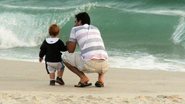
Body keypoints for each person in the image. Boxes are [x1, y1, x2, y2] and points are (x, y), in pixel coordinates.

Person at [63, 12, 109, 87]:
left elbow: (71, 50)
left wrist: (68, 43)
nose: (74, 24)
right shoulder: (96, 28)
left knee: (64, 57)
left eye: (75, 21)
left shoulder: (75, 29)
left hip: (89, 64)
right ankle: (100, 79)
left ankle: (83, 78)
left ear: (80, 21)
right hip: (105, 65)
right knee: (99, 52)